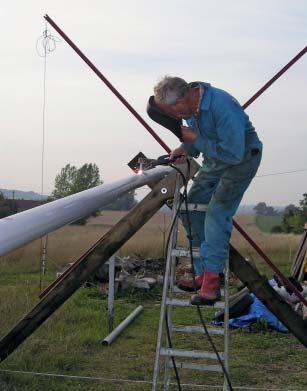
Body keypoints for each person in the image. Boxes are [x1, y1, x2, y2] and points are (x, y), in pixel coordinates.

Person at [152, 76, 262, 305]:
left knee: (216, 212)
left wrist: (196, 140)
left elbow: (233, 153)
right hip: (216, 159)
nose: (174, 115)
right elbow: (199, 142)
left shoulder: (221, 106)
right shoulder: (191, 108)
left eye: (173, 109)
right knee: (190, 209)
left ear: (184, 97)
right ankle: (203, 272)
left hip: (241, 160)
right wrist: (184, 148)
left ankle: (212, 283)